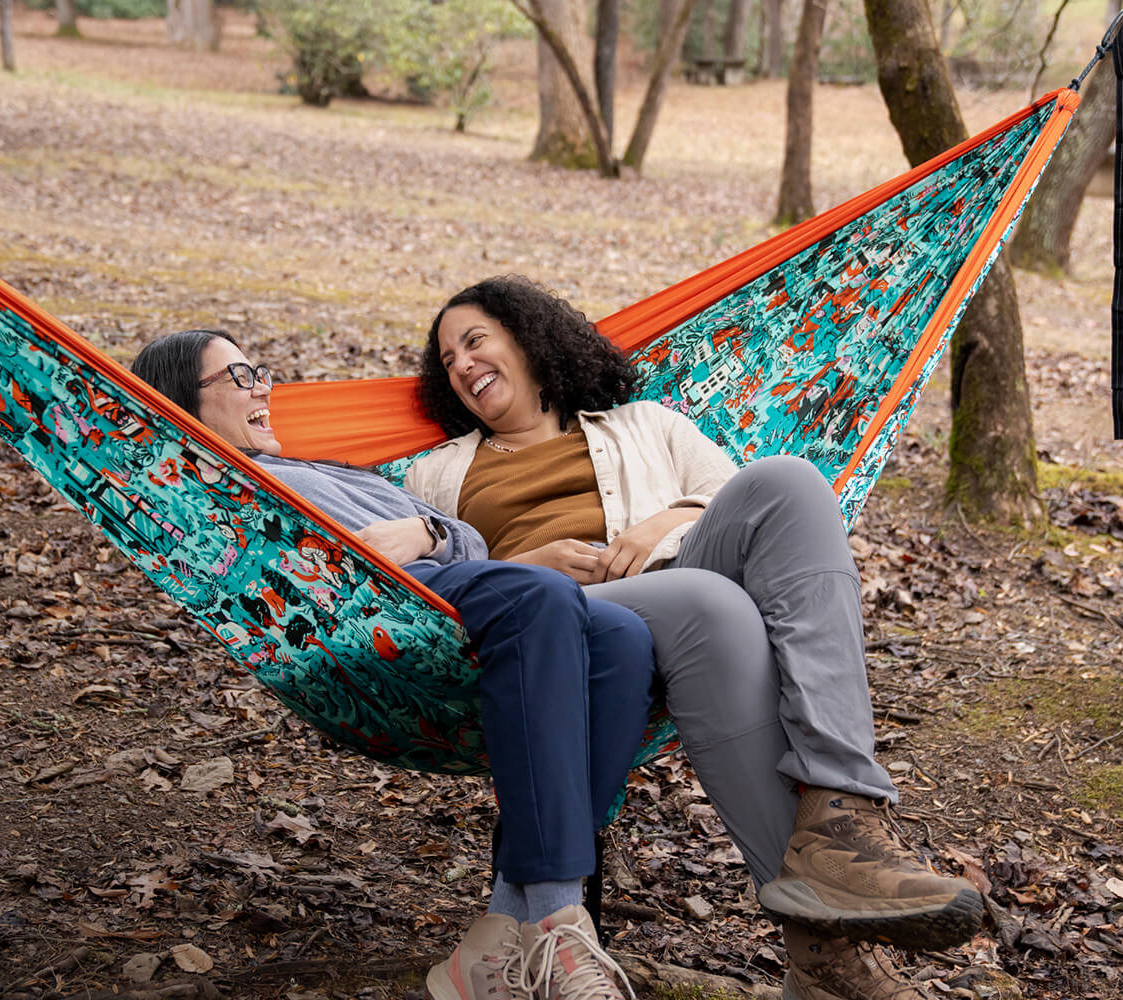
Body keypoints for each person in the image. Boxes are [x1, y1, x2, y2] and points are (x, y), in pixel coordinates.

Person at [405, 276, 986, 1000]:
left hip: (680, 569)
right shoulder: (438, 471)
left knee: (792, 482)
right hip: (568, 618)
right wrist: (532, 563)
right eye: (446, 357)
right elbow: (430, 590)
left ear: (525, 339)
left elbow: (729, 496)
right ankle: (826, 953)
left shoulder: (647, 423)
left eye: (474, 340)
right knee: (712, 606)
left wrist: (660, 523)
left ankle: (841, 813)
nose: (460, 363)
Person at [132, 328, 659, 1000]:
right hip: (388, 614)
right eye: (238, 377)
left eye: (260, 370)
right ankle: (558, 919)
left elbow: (471, 540)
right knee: (545, 593)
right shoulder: (225, 494)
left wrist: (429, 531)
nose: (263, 386)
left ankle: (501, 931)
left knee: (620, 633)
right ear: (181, 405)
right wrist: (426, 550)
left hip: (446, 589)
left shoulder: (333, 469)